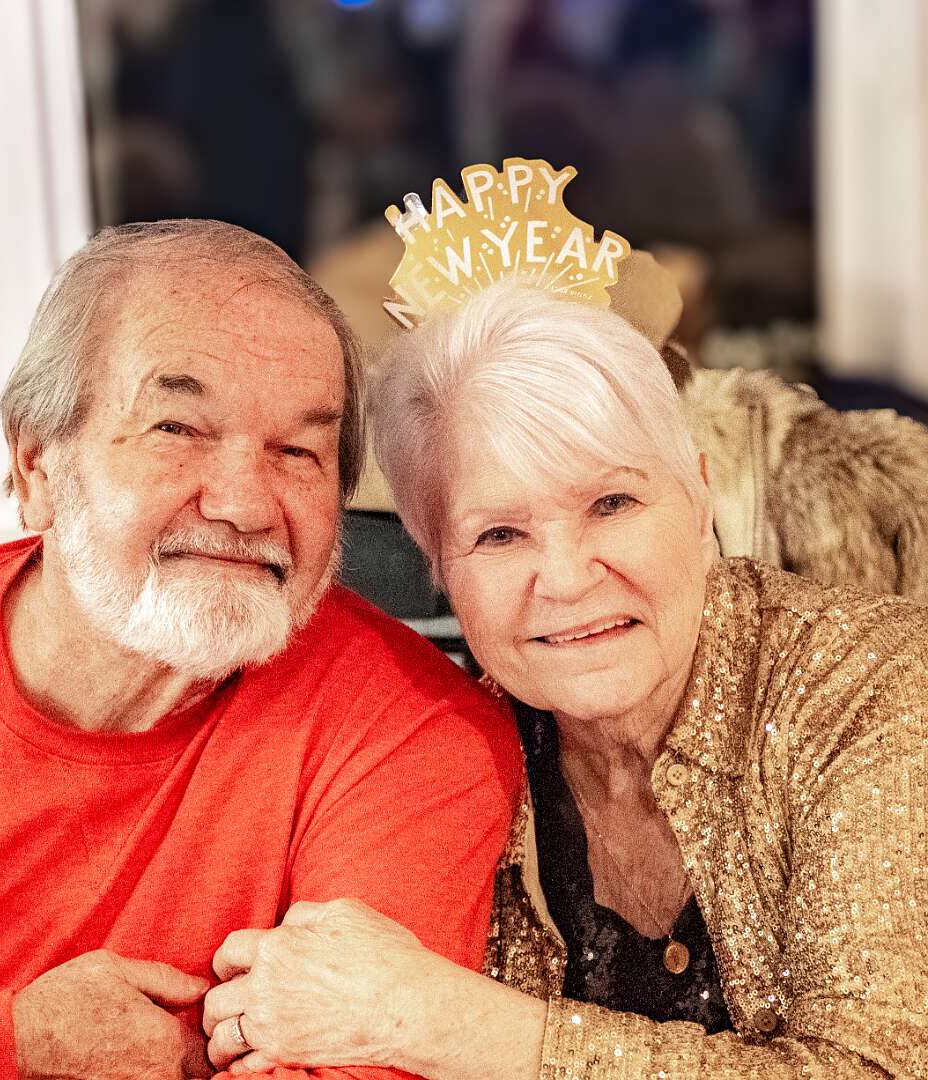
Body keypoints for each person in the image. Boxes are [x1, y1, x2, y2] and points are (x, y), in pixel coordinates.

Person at [203, 279, 928, 1078]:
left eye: (611, 503)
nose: (567, 579)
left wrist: (440, 1020)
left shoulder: (874, 683)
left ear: (698, 499)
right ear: (439, 567)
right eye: (499, 534)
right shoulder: (439, 756)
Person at [0, 220, 521, 1079]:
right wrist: (10, 1043)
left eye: (299, 451)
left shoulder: (412, 731)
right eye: (177, 428)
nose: (245, 504)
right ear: (38, 465)